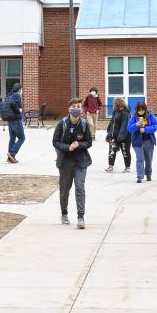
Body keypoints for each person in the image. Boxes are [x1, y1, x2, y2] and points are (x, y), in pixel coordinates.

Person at [52, 97, 92, 229]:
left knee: (80, 187)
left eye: (78, 107)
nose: (76, 109)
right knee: (64, 189)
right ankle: (64, 214)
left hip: (81, 161)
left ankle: (81, 217)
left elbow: (89, 142)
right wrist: (66, 147)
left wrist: (79, 144)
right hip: (65, 161)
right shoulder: (62, 123)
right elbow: (55, 142)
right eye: (74, 107)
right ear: (69, 109)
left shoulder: (85, 124)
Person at [127, 101, 157, 183]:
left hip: (148, 140)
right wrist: (136, 125)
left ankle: (148, 174)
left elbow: (155, 126)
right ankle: (139, 176)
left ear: (145, 109)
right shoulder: (134, 117)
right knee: (140, 158)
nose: (141, 111)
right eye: (139, 109)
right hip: (137, 141)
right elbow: (129, 128)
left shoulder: (150, 115)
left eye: (142, 109)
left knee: (148, 159)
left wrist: (146, 130)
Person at [105, 97, 131, 173]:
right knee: (112, 151)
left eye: (115, 103)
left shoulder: (125, 113)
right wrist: (109, 134)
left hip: (124, 137)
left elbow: (124, 126)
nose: (114, 105)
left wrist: (121, 137)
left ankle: (127, 167)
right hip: (114, 136)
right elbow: (111, 123)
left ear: (118, 104)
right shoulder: (115, 112)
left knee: (125, 151)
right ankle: (110, 166)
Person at [5, 83, 25, 163]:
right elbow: (13, 104)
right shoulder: (17, 96)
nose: (22, 91)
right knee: (22, 138)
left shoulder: (10, 96)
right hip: (16, 120)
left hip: (10, 120)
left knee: (12, 138)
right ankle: (12, 153)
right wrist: (19, 110)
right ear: (19, 90)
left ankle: (10, 158)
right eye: (21, 89)